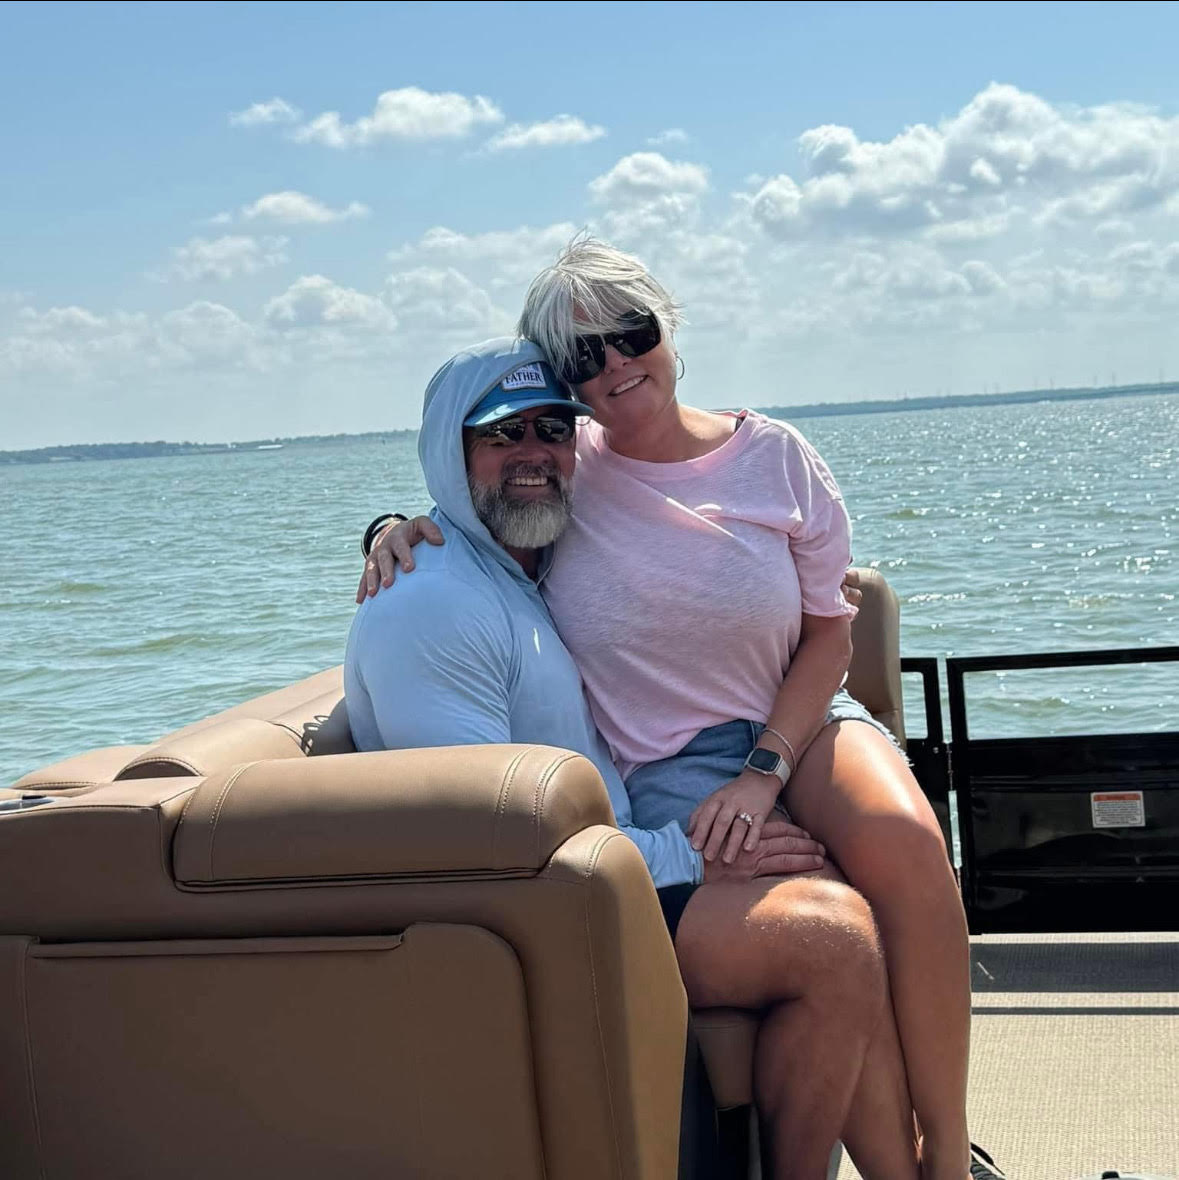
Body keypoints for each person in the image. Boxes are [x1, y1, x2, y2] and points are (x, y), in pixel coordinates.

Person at [363, 239, 1002, 1180]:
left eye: (631, 332)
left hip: (797, 722)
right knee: (834, 932)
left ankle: (948, 1158)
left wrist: (767, 769)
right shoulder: (566, 464)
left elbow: (832, 627)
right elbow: (472, 482)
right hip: (665, 764)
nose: (616, 363)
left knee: (907, 849)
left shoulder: (773, 456)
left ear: (667, 328)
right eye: (585, 357)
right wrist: (390, 528)